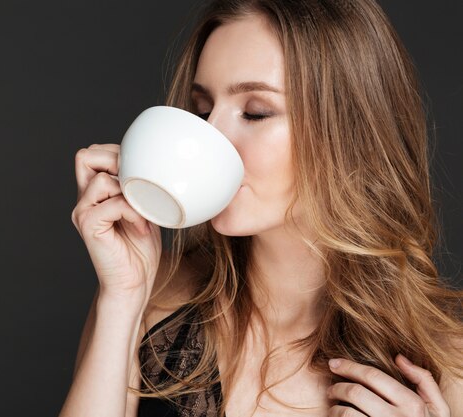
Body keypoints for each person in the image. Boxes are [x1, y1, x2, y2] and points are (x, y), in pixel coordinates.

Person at [60, 0, 463, 415]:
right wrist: (122, 298)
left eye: (255, 113)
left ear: (348, 133)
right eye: (201, 110)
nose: (208, 139)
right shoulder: (150, 300)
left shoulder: (446, 366)